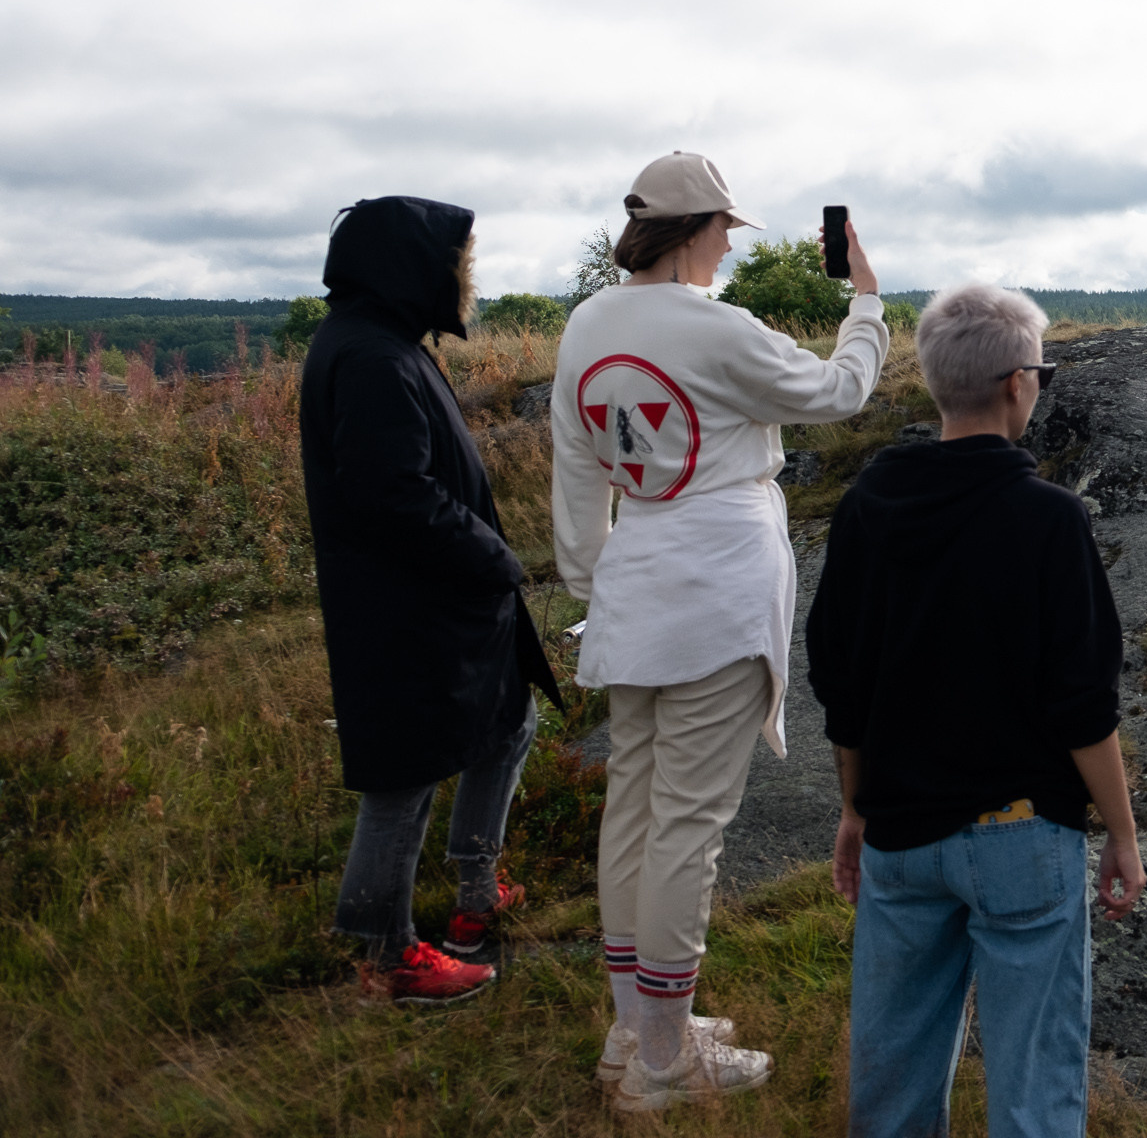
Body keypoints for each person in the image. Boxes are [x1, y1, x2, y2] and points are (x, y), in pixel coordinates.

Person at [551, 152, 892, 1112]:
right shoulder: (715, 330)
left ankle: (638, 1030)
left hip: (637, 577)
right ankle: (664, 1061)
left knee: (636, 811)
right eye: (724, 231)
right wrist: (865, 303)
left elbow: (576, 476)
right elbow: (836, 395)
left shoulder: (587, 327)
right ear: (699, 229)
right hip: (716, 582)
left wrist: (596, 582)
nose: (728, 246)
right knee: (688, 827)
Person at [807, 283, 1142, 1138]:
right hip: (1023, 831)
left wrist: (854, 806)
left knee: (893, 1066)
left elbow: (840, 681)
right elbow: (1082, 703)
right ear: (1017, 383)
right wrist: (1123, 834)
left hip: (900, 832)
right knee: (1033, 1076)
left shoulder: (866, 509)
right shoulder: (1048, 518)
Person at [299, 195, 564, 1005]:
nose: (468, 279)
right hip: (408, 611)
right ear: (408, 267)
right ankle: (386, 954)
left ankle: (476, 899)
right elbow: (392, 496)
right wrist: (490, 553)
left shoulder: (386, 343)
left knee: (505, 726)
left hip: (442, 604)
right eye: (459, 265)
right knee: (406, 775)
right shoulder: (373, 358)